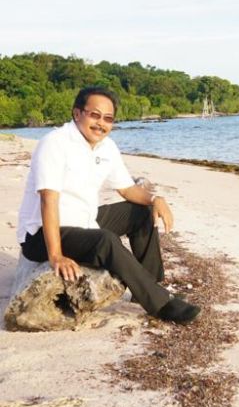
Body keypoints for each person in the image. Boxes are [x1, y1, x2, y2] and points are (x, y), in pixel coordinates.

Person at [16, 86, 200, 323]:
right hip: (41, 235)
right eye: (94, 115)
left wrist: (156, 199)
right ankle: (161, 304)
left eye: (108, 118)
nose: (100, 123)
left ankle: (150, 285)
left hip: (84, 223)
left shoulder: (107, 147)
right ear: (77, 113)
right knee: (106, 240)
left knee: (141, 212)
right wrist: (56, 256)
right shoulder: (55, 143)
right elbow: (48, 200)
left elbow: (126, 189)